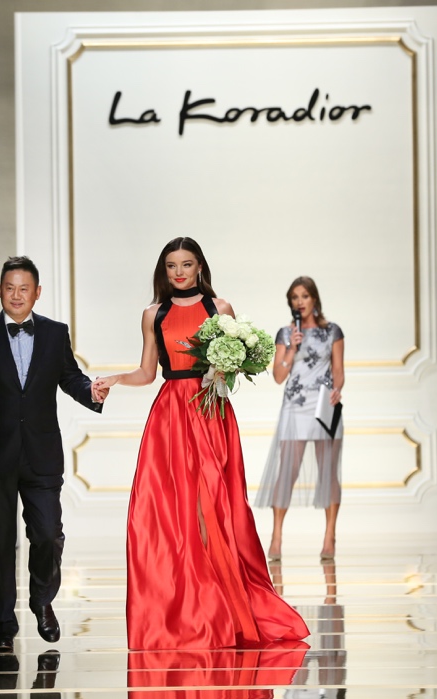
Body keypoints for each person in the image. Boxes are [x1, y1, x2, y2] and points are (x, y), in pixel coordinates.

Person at [92, 237, 309, 651]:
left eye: (186, 264)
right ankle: (186, 614)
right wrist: (116, 379)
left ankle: (219, 612)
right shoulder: (153, 314)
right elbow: (147, 372)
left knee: (213, 509)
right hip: (170, 417)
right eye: (172, 265)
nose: (179, 272)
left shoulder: (220, 309)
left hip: (210, 412)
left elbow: (233, 367)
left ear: (199, 268)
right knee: (169, 515)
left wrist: (227, 368)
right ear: (164, 270)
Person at [0, 256, 106, 655]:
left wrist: (91, 391)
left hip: (41, 452)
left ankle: (42, 599)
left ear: (37, 293)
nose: (16, 295)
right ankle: (3, 623)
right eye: (9, 288)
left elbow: (69, 376)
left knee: (48, 533)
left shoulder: (54, 332)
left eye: (24, 289)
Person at [255, 277, 345, 561]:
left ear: (314, 299)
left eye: (304, 295)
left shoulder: (332, 331)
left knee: (328, 472)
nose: (300, 301)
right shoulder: (285, 333)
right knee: (287, 472)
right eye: (295, 297)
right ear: (290, 302)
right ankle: (276, 536)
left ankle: (329, 536)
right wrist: (292, 348)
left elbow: (338, 370)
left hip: (324, 405)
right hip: (295, 406)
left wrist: (337, 389)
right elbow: (278, 376)